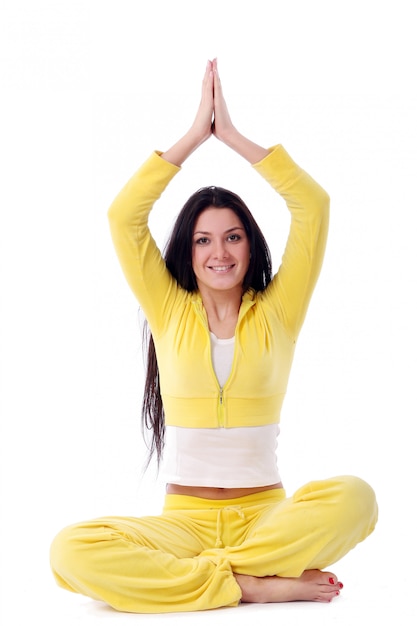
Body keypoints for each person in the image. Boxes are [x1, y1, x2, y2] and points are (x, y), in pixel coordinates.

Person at [50, 59, 377, 613]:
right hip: (186, 523)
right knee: (70, 551)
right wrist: (193, 137)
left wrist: (234, 138)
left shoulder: (280, 311)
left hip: (267, 518)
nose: (219, 253)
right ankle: (250, 584)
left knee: (358, 498)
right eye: (203, 241)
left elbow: (313, 206)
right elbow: (124, 215)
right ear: (189, 250)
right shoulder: (167, 308)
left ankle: (206, 579)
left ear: (250, 246)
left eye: (232, 237)